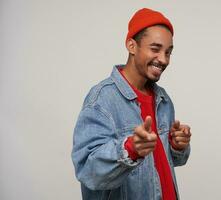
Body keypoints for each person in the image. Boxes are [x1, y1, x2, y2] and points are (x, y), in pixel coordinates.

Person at [72, 8, 191, 200]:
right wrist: (129, 149)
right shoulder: (102, 99)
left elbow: (160, 165)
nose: (163, 59)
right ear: (131, 46)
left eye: (168, 52)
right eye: (155, 49)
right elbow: (87, 171)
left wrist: (177, 146)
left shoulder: (163, 99)